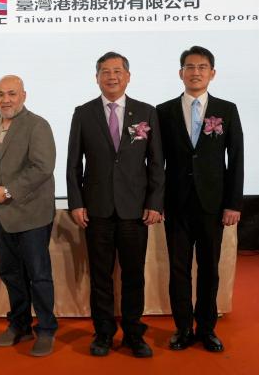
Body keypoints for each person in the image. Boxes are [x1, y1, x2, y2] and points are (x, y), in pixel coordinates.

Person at [66, 52, 164, 358]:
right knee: (101, 276)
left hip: (135, 210)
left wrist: (155, 202)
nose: (112, 76)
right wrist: (76, 203)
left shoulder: (146, 112)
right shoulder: (83, 113)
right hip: (97, 210)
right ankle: (104, 333)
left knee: (134, 275)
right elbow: (73, 164)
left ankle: (134, 333)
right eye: (105, 72)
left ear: (128, 76)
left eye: (118, 71)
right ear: (96, 78)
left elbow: (156, 163)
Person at [156, 46, 244, 353]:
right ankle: (183, 328)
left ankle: (206, 328)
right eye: (190, 67)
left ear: (212, 73)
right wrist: (156, 201)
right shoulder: (163, 111)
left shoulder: (227, 109)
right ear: (181, 73)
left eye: (202, 67)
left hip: (212, 204)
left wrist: (233, 203)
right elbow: (156, 161)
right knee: (178, 268)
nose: (196, 72)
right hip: (176, 203)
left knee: (209, 268)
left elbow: (236, 158)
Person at [0, 75, 58, 357]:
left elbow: (42, 168)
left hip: (31, 213)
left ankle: (46, 329)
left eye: (11, 94)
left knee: (38, 275)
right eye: (0, 94)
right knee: (11, 273)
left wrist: (8, 191)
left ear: (24, 96)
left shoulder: (37, 125)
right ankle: (20, 325)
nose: (5, 100)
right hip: (2, 214)